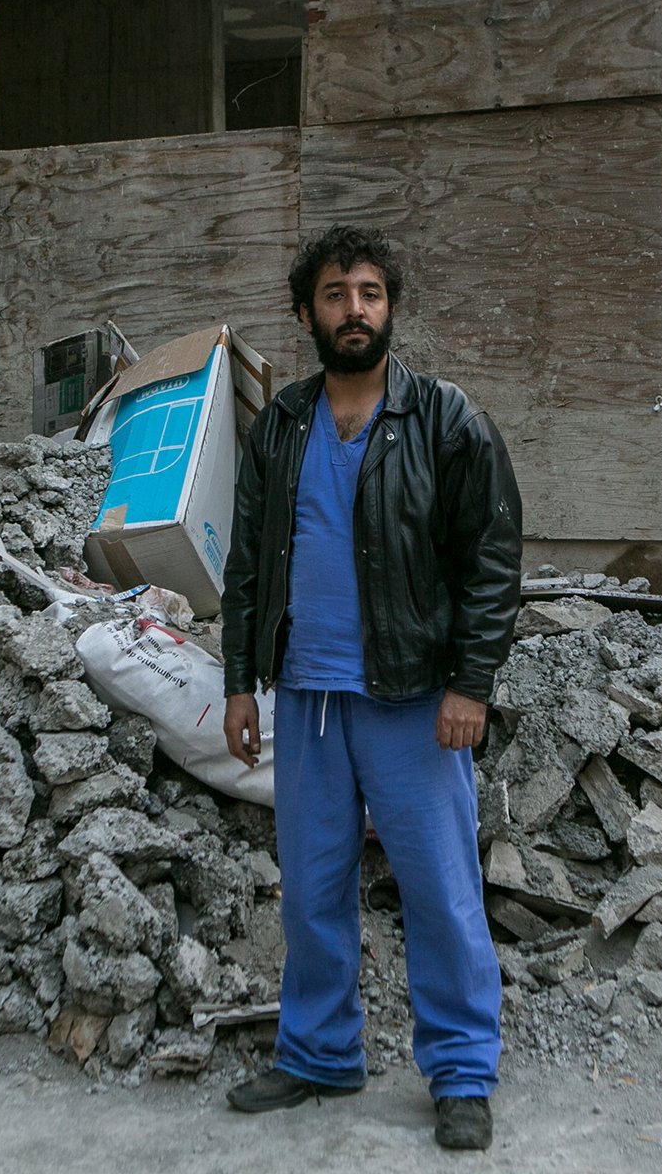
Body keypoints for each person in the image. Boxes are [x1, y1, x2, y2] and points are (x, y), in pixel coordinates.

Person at [218, 224, 523, 1152]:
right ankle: (318, 1054)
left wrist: (470, 684)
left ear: (392, 306)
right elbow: (244, 565)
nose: (355, 310)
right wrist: (239, 682)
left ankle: (462, 1071)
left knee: (438, 889)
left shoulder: (446, 419)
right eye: (337, 294)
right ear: (306, 311)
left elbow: (493, 559)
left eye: (371, 293)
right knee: (312, 889)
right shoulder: (281, 423)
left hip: (410, 700)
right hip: (306, 698)